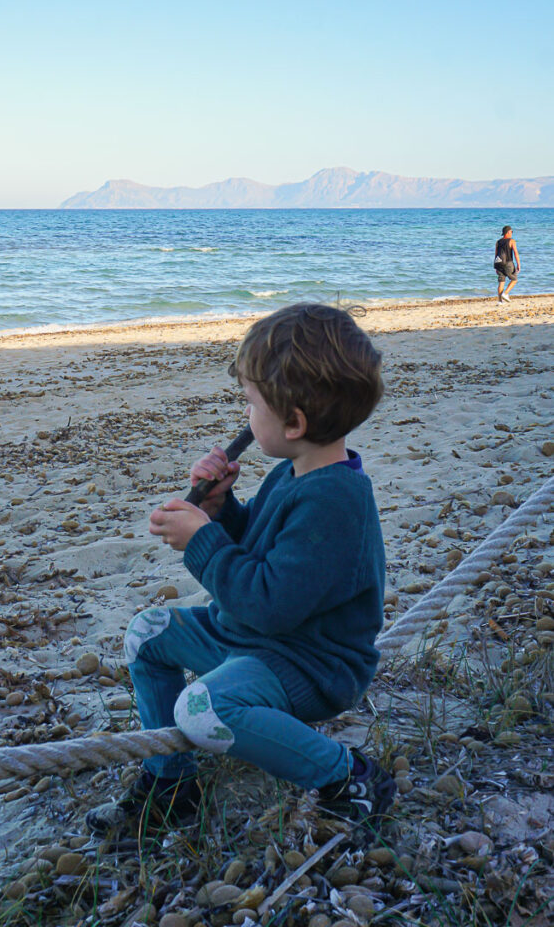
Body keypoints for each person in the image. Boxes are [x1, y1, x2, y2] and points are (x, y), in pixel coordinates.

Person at [86, 303, 396, 838]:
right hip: (255, 639)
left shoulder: (334, 502)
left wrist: (202, 542)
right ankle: (172, 782)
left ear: (294, 422)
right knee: (147, 633)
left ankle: (348, 776)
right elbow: (262, 552)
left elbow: (268, 602)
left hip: (308, 664)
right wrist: (222, 509)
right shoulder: (297, 471)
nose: (245, 416)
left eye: (250, 403)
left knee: (204, 709)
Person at [494, 225, 521, 302]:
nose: (512, 233)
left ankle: (500, 301)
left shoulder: (498, 242)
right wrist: (518, 264)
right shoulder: (512, 241)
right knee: (514, 279)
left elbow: (496, 254)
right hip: (508, 263)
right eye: (511, 231)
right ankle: (505, 294)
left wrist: (496, 266)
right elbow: (516, 253)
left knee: (501, 282)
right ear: (508, 232)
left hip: (498, 263)